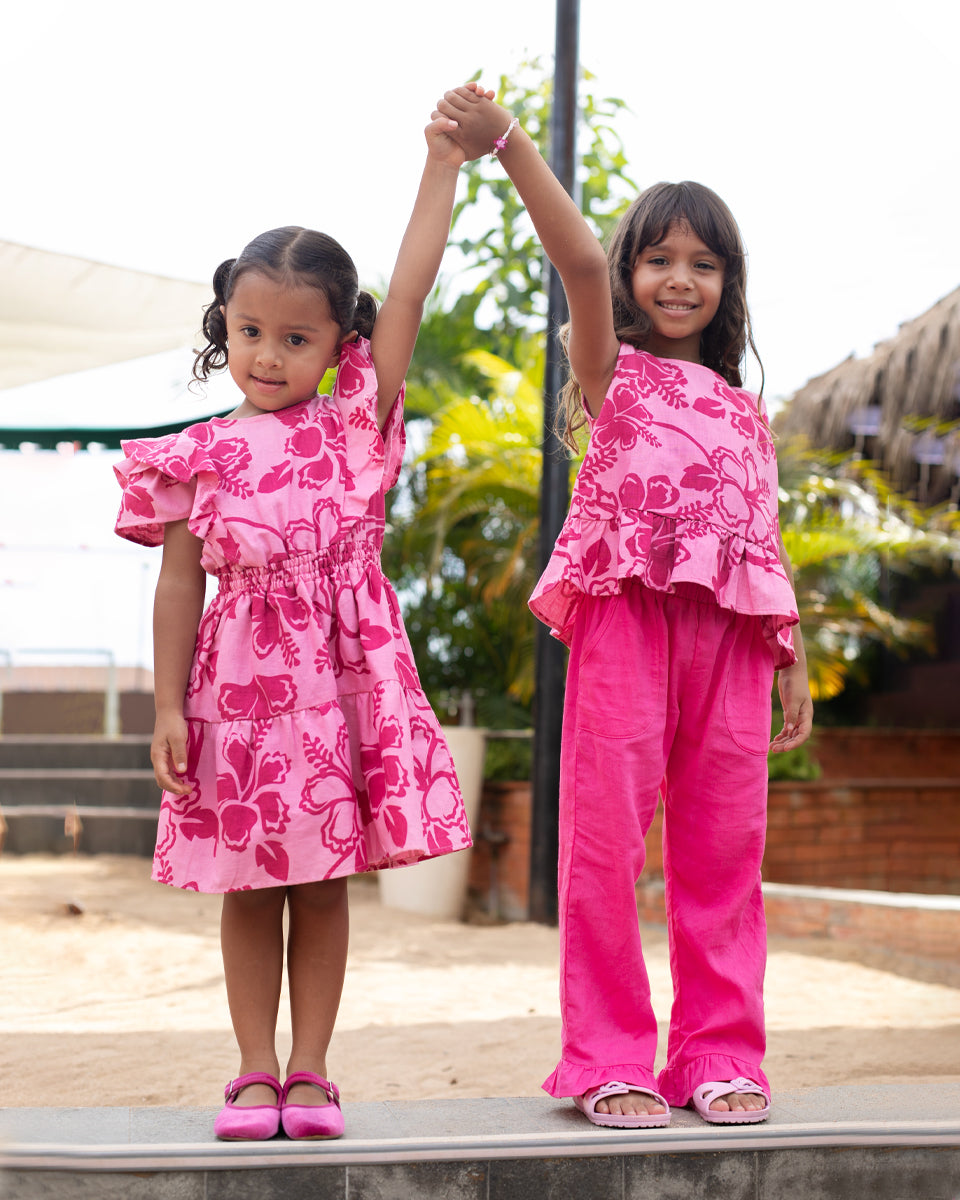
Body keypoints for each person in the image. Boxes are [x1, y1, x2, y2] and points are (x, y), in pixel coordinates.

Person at [438, 84, 813, 1128]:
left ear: (727, 282)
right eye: (661, 259)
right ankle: (609, 1056)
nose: (679, 278)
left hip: (735, 642)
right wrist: (507, 144)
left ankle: (720, 1054)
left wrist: (791, 653)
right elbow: (579, 262)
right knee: (603, 850)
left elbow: (760, 542)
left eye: (703, 261)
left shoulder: (746, 410)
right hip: (627, 624)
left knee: (724, 856)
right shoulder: (617, 372)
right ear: (635, 274)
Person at [113, 107, 476, 1141]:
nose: (269, 355)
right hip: (232, 689)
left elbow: (410, 284)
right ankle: (251, 1071)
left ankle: (312, 1072)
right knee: (246, 885)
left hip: (339, 677)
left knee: (321, 884)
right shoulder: (189, 453)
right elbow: (178, 585)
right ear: (223, 324)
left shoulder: (358, 413)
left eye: (297, 336)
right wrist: (166, 706)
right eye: (250, 332)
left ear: (340, 341)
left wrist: (441, 163)